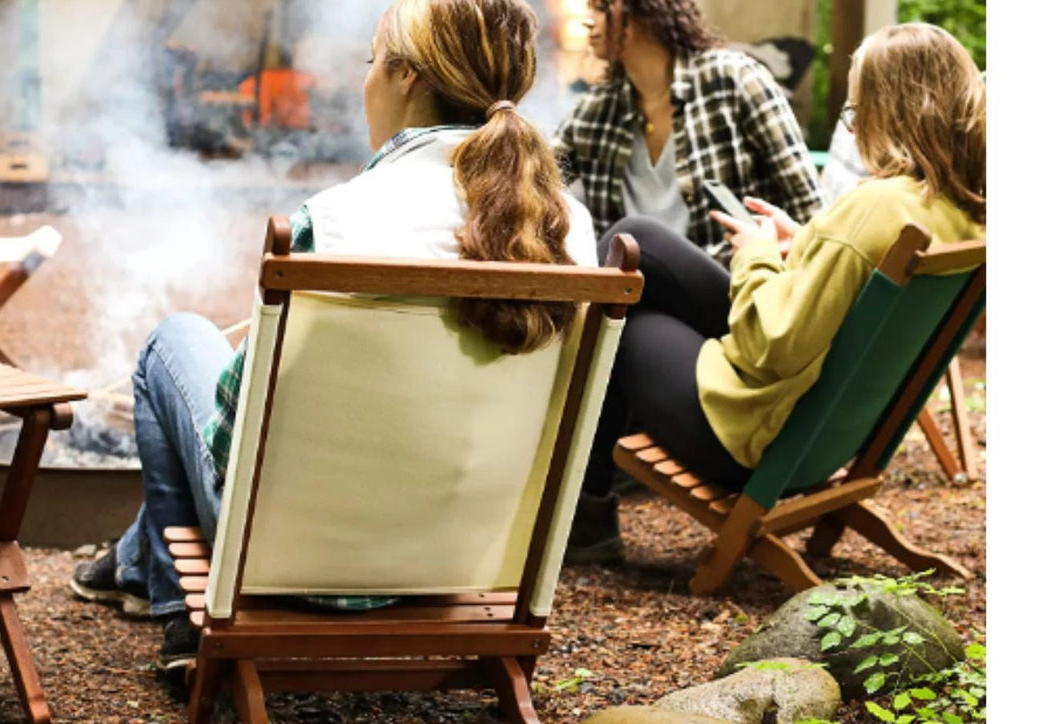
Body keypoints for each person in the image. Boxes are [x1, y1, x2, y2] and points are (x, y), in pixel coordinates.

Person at [70, 0, 599, 672]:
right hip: (461, 550)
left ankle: (173, 605)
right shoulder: (570, 230)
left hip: (298, 559)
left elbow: (234, 447)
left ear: (406, 76)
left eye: (371, 60)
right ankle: (133, 559)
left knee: (174, 342)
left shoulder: (340, 219)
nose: (365, 78)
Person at [564, 22, 986, 564]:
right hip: (828, 435)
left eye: (857, 112)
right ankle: (587, 506)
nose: (853, 131)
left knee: (624, 310)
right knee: (641, 241)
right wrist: (804, 239)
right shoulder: (962, 211)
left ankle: (585, 510)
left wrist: (755, 252)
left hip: (753, 434)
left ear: (895, 112)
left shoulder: (874, 207)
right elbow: (842, 286)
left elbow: (772, 345)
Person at [552, 0, 825, 255]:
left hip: (730, 283)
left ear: (644, 10)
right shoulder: (598, 108)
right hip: (634, 293)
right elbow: (538, 177)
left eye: (601, 7)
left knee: (636, 233)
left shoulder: (734, 79)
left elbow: (808, 206)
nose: (588, 21)